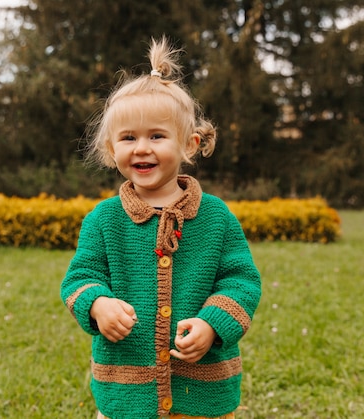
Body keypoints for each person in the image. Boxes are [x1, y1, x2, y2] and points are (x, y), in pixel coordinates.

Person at [60, 36, 262, 419]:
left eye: (156, 135)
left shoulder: (216, 217)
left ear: (189, 143)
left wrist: (212, 323)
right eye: (128, 138)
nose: (141, 148)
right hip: (126, 392)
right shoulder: (104, 220)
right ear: (110, 149)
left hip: (202, 388)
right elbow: (79, 278)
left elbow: (242, 281)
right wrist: (98, 304)